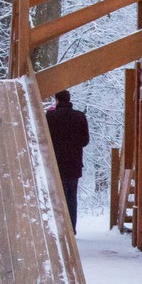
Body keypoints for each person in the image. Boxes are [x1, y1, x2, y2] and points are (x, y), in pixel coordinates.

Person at [45, 90, 90, 234]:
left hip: (56, 164)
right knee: (71, 197)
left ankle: (58, 228)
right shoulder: (80, 116)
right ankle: (71, 229)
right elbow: (85, 141)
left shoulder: (50, 117)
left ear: (56, 100)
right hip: (74, 165)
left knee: (57, 196)